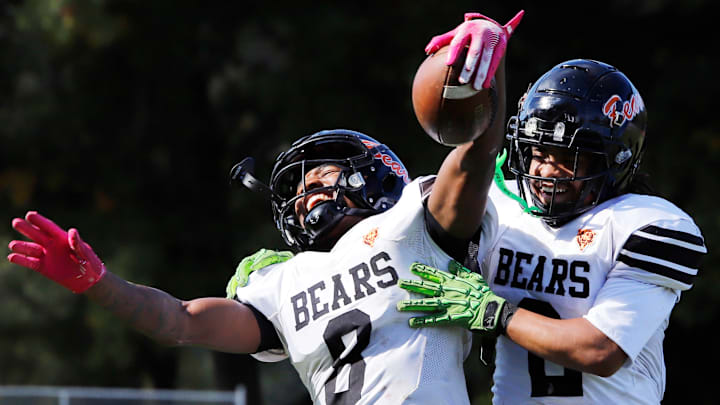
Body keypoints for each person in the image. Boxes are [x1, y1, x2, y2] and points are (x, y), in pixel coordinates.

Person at [6, 11, 523, 402]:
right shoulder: (281, 283)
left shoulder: (415, 223)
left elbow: (476, 157)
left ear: (376, 173)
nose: (310, 192)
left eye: (323, 175)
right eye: (300, 189)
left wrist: (487, 73)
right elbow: (180, 322)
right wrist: (100, 283)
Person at [394, 16, 708, 405]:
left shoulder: (646, 224)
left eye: (567, 159)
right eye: (539, 152)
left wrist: (497, 313)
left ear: (615, 159)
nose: (544, 170)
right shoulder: (500, 208)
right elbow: (405, 227)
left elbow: (600, 351)